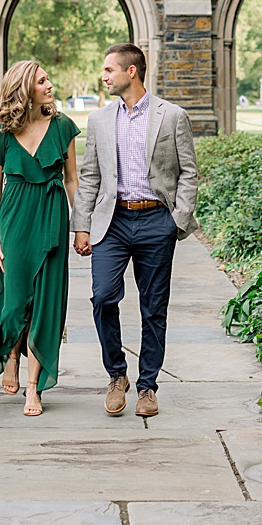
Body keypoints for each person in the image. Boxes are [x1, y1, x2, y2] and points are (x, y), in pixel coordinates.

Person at [71, 43, 200, 419]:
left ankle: (147, 387)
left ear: (132, 72)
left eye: (109, 70)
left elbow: (189, 171)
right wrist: (81, 226)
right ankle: (117, 375)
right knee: (102, 297)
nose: (104, 76)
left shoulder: (172, 116)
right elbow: (91, 175)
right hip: (112, 222)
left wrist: (177, 219)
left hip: (156, 221)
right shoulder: (99, 120)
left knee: (153, 307)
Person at [0, 59, 80, 418]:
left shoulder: (62, 126)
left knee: (46, 304)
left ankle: (34, 387)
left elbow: (72, 179)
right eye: (42, 81)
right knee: (14, 302)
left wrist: (81, 225)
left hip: (51, 217)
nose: (49, 85)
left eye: (47, 79)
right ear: (24, 88)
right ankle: (11, 353)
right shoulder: (1, 131)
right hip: (14, 219)